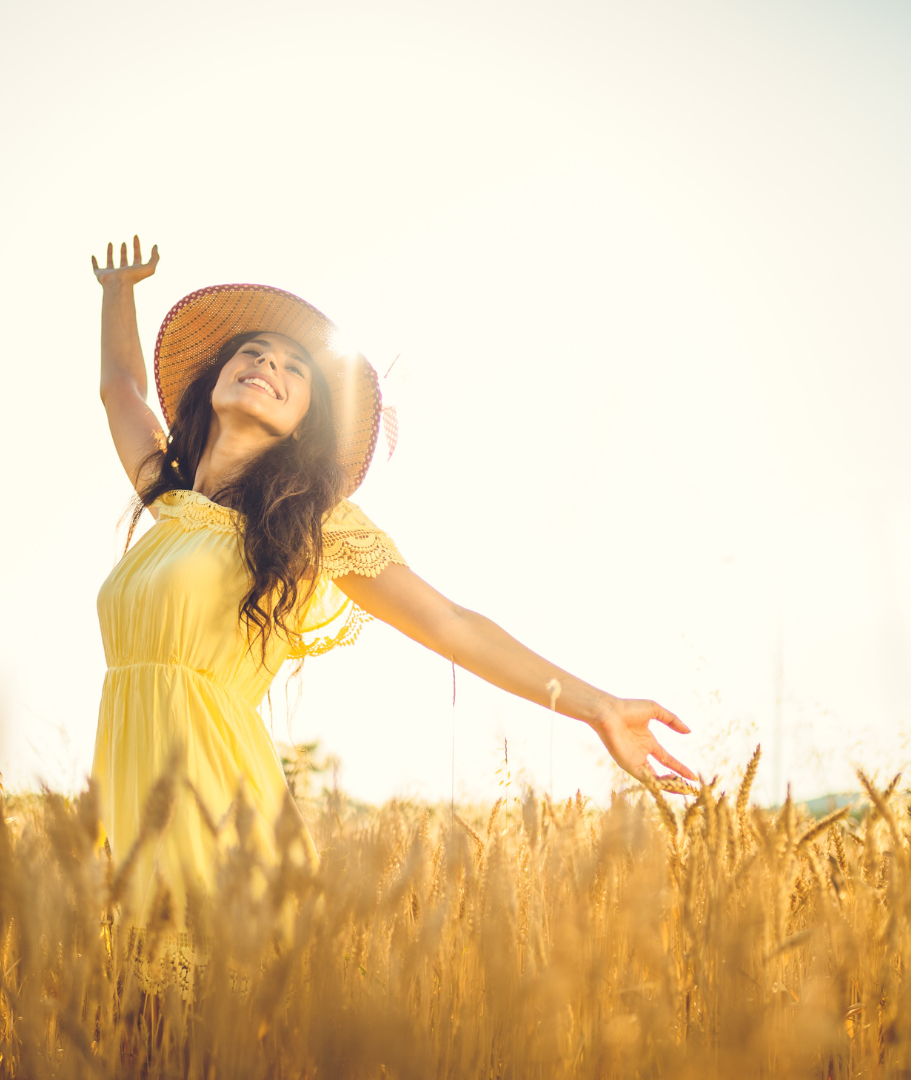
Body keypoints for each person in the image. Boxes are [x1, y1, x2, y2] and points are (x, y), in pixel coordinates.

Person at [90, 236, 696, 921]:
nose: (267, 364)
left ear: (301, 427)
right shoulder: (167, 501)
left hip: (220, 802)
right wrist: (118, 292)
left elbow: (453, 626)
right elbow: (120, 390)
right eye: (253, 353)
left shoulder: (310, 527)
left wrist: (600, 707)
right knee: (130, 1019)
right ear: (216, 379)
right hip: (130, 797)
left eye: (293, 367)